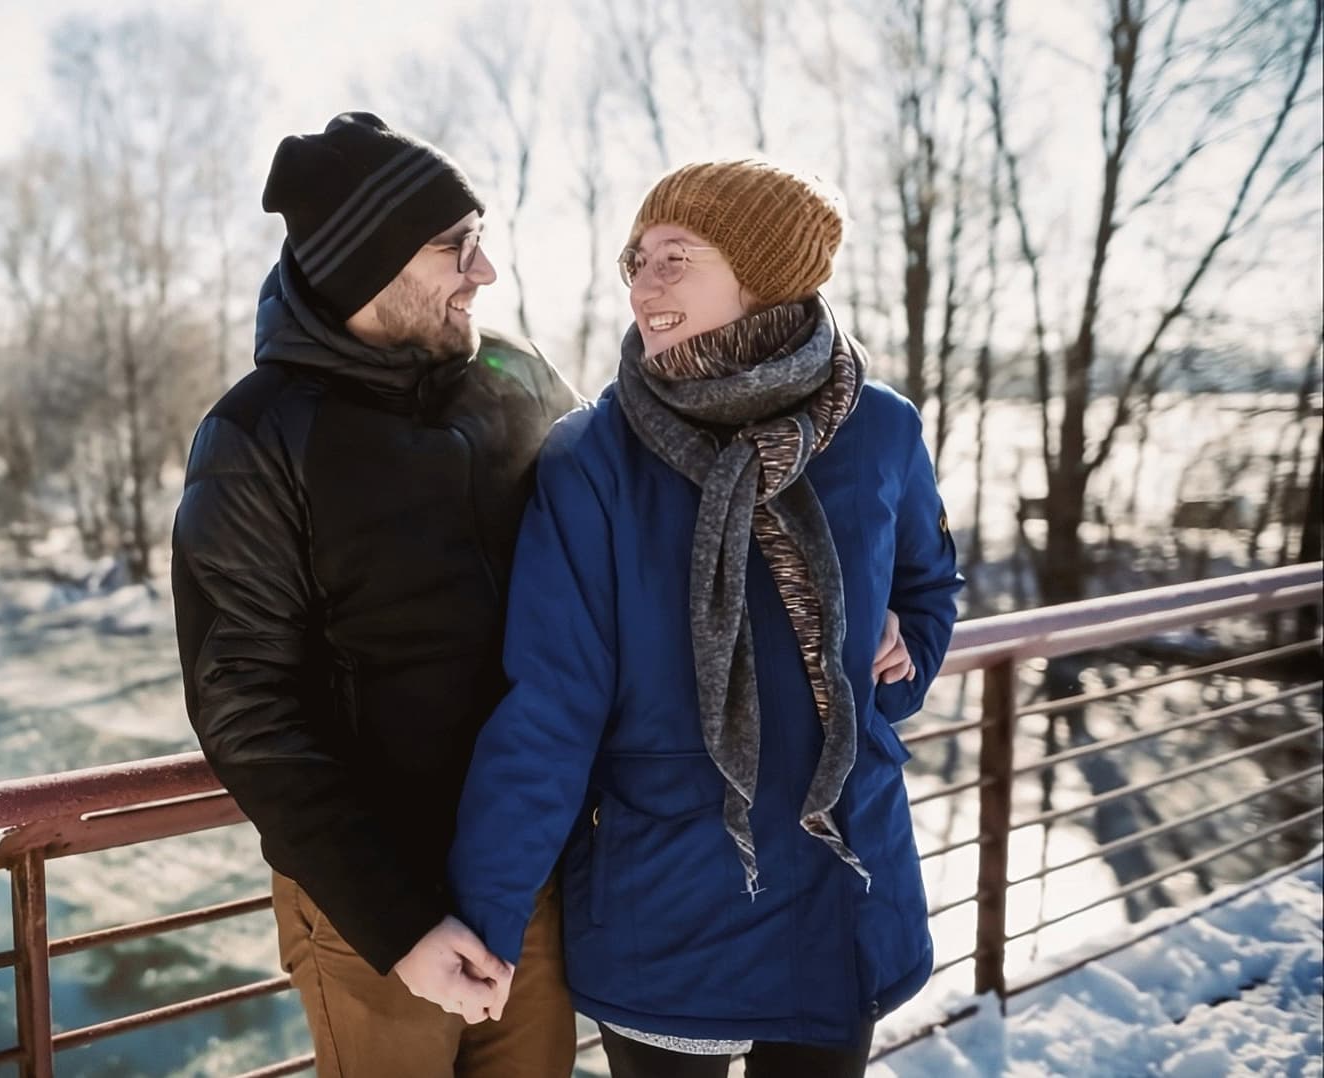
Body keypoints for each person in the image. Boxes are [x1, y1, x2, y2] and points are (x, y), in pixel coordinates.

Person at [446, 158, 964, 1078]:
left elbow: (928, 585)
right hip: (672, 899)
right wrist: (488, 911)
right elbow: (552, 704)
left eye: (675, 259)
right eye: (636, 261)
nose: (643, 285)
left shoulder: (880, 429)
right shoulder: (594, 457)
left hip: (841, 881)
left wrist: (902, 657)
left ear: (764, 271)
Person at [171, 112, 580, 1077]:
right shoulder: (257, 437)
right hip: (376, 911)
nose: (484, 272)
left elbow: (638, 530)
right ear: (368, 266)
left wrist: (862, 589)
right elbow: (245, 702)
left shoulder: (517, 379)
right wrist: (399, 926)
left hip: (534, 871)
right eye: (455, 248)